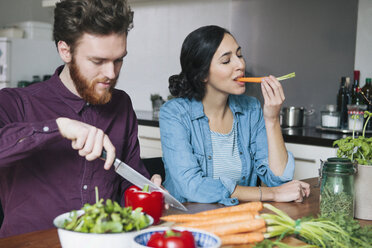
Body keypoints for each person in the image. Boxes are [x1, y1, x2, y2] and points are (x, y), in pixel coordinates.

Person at [0, 0, 162, 238]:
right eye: (98, 61)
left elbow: (130, 182)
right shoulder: (16, 102)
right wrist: (58, 127)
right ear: (65, 50)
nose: (111, 73)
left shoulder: (121, 105)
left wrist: (147, 191)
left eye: (119, 60)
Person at [159, 25, 310, 206]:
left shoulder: (251, 109)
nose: (240, 65)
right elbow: (192, 187)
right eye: (226, 61)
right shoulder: (174, 113)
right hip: (190, 221)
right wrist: (272, 194)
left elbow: (278, 181)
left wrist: (272, 120)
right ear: (202, 74)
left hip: (241, 218)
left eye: (239, 55)